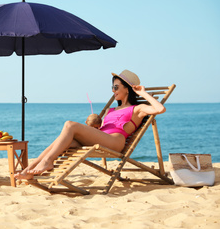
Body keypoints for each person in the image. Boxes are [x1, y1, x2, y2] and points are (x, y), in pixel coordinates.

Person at [14, 70, 166, 180]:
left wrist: (143, 93)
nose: (113, 90)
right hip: (102, 137)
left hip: (114, 142)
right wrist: (94, 126)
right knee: (59, 141)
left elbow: (160, 109)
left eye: (116, 87)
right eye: (112, 87)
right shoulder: (111, 109)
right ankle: (29, 169)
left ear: (128, 88)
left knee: (70, 124)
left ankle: (47, 162)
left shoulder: (137, 109)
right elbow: (100, 130)